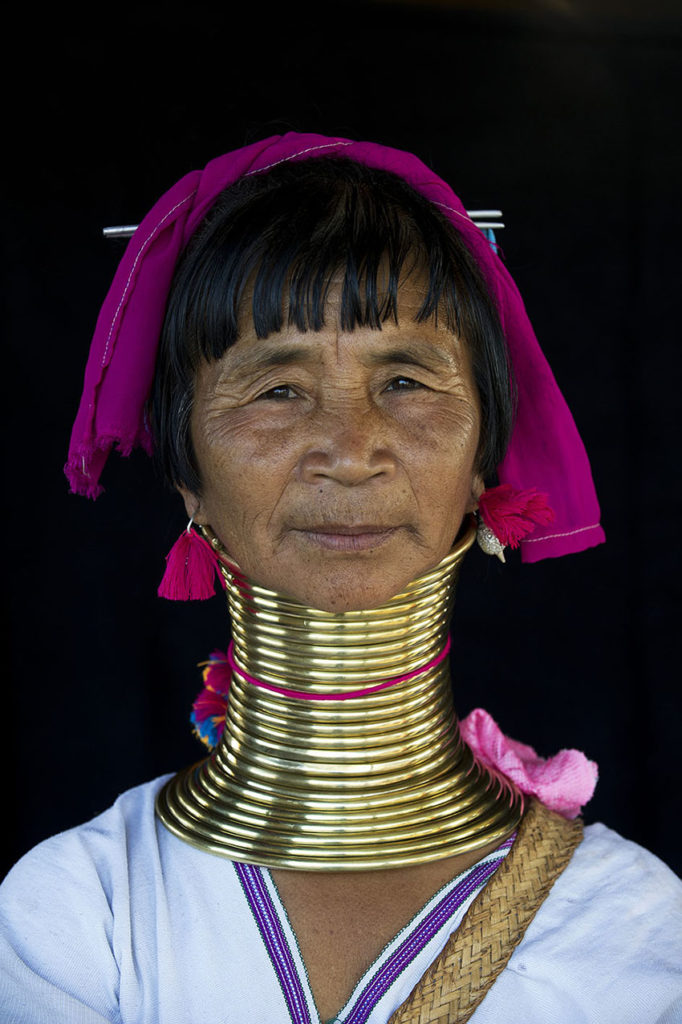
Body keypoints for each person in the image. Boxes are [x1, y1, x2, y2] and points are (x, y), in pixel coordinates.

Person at [1, 132, 680, 1023]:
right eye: (276, 390)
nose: (351, 451)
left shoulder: (633, 927)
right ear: (186, 475)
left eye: (405, 380)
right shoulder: (80, 914)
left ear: (485, 457)